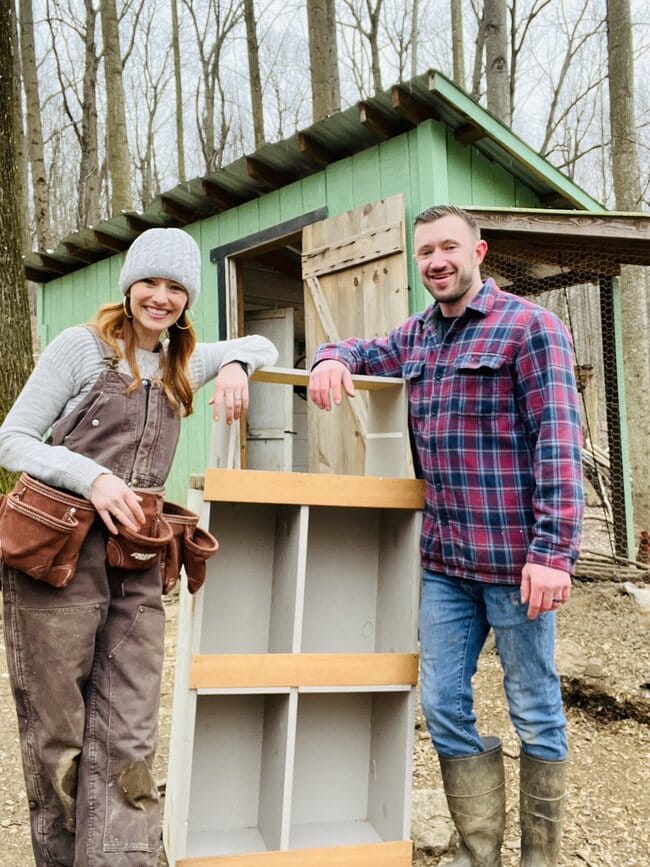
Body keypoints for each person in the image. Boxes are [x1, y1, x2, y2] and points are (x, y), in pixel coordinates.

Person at [308, 205, 583, 866]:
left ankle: (540, 857)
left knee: (535, 705)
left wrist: (552, 553)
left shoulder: (531, 328)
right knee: (442, 701)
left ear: (478, 251)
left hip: (518, 563)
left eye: (448, 247)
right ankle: (478, 849)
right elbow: (360, 351)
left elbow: (560, 445)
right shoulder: (416, 336)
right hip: (445, 565)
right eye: (425, 250)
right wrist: (325, 358)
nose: (436, 260)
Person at [0, 227, 278, 867]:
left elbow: (260, 341)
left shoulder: (183, 361)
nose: (160, 297)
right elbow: (13, 439)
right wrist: (91, 476)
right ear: (128, 287)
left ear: (188, 297)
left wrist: (234, 364)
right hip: (56, 559)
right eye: (149, 282)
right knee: (59, 736)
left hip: (136, 563)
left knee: (130, 732)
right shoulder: (82, 350)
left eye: (175, 286)